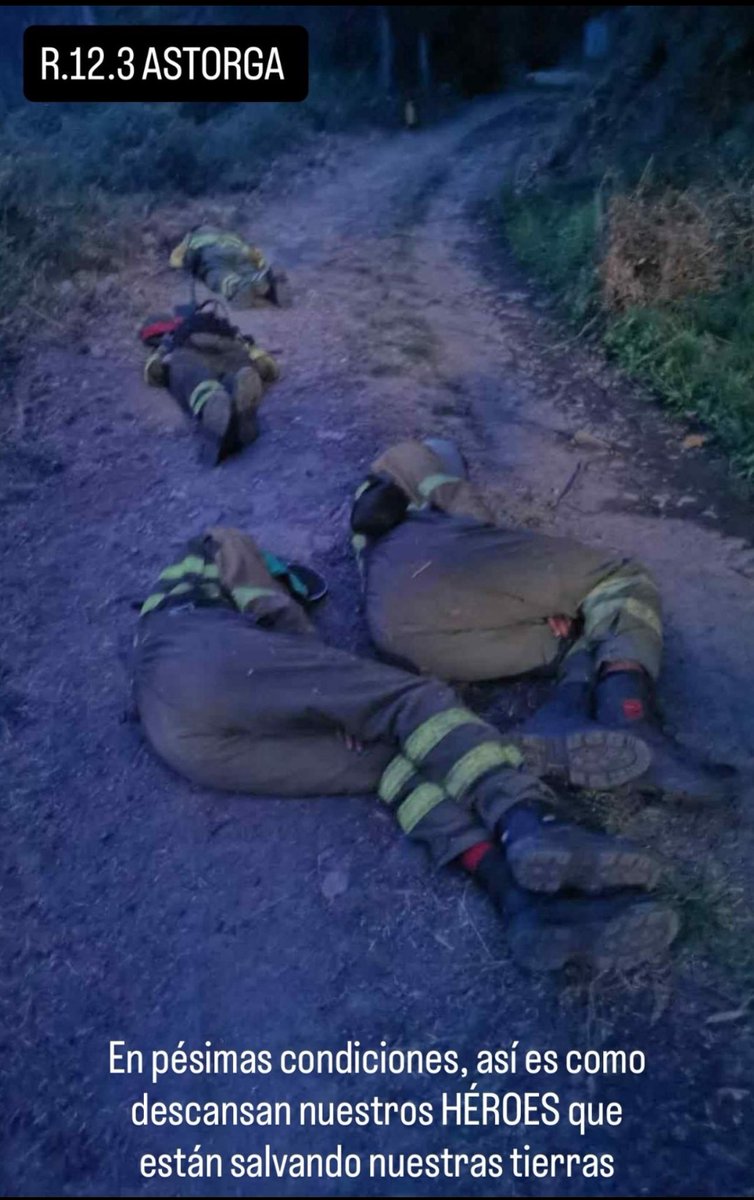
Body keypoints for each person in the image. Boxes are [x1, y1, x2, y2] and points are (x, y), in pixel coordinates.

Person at [131, 525, 679, 973]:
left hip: (182, 740)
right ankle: (528, 820)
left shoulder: (154, 629)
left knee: (389, 764)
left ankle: (520, 902)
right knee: (406, 703)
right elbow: (272, 608)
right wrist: (324, 683)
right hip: (198, 659)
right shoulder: (216, 545)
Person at [350, 438, 735, 804]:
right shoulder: (411, 457)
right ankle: (632, 719)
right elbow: (469, 515)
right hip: (426, 565)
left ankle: (561, 719)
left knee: (586, 630)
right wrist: (535, 587)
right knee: (618, 579)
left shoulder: (366, 521)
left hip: (402, 639)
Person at [139, 303, 280, 465]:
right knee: (235, 376)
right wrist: (261, 361)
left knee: (195, 380)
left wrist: (160, 356)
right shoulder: (226, 328)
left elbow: (153, 372)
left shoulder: (171, 337)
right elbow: (267, 365)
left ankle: (210, 402)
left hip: (190, 351)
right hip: (232, 350)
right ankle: (239, 398)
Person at [169, 226, 292, 308]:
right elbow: (253, 252)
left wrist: (188, 264)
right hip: (238, 250)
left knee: (221, 277)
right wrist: (261, 264)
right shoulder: (229, 234)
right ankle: (264, 280)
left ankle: (237, 287)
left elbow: (175, 261)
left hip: (211, 254)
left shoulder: (191, 237)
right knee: (247, 270)